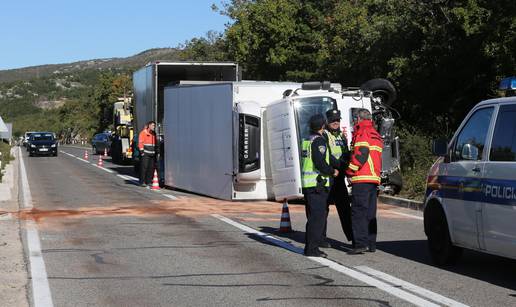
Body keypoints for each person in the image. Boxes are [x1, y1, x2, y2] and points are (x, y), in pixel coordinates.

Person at [345, 109, 383, 254]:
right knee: (370, 213)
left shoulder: (362, 132)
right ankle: (371, 244)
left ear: (358, 119)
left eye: (355, 119)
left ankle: (360, 244)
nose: (354, 122)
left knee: (358, 213)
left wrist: (350, 170)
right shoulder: (375, 133)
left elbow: (361, 154)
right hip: (373, 178)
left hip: (361, 177)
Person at [302, 114, 339, 257]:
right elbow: (320, 162)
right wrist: (332, 171)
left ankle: (311, 246)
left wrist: (342, 164)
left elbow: (328, 158)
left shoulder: (307, 140)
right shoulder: (319, 141)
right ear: (323, 126)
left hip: (309, 185)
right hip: (318, 184)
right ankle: (312, 249)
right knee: (317, 218)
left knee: (313, 217)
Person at [321, 108, 353, 247]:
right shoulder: (324, 135)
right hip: (328, 176)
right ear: (327, 121)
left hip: (339, 177)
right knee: (323, 210)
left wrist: (346, 167)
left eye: (337, 120)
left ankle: (354, 239)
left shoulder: (342, 136)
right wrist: (340, 165)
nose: (335, 122)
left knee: (345, 208)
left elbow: (346, 153)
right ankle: (321, 238)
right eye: (333, 120)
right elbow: (327, 155)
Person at [138, 121, 157, 187]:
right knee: (144, 168)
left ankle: (148, 182)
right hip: (145, 153)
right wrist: (142, 152)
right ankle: (142, 182)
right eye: (152, 125)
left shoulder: (154, 133)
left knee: (151, 168)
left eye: (154, 125)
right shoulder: (143, 133)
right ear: (149, 126)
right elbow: (140, 143)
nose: (154, 127)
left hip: (152, 154)